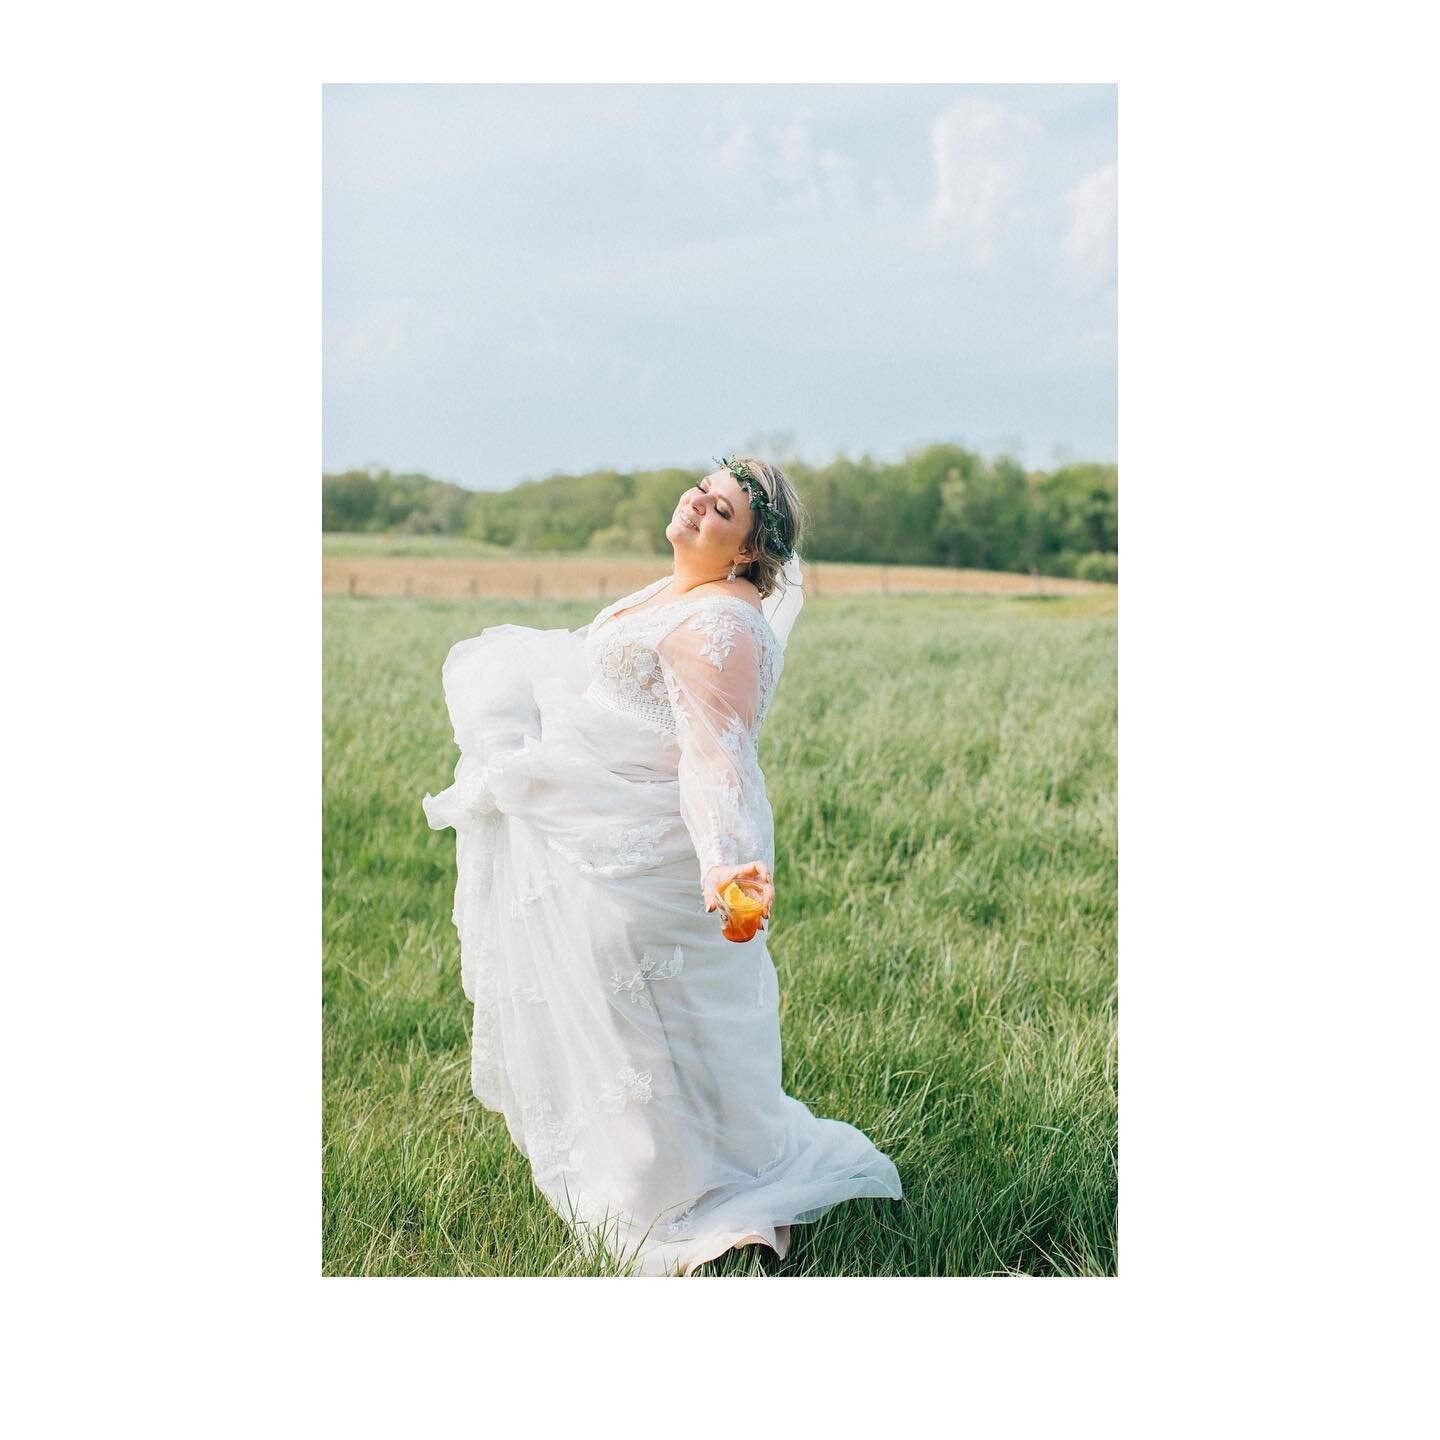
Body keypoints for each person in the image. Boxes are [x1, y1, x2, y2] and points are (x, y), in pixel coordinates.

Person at [423, 455, 902, 1275]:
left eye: (721, 510)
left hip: (642, 848)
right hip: (591, 813)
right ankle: (660, 1174)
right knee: (637, 1029)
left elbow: (716, 759)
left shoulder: (720, 623)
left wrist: (726, 865)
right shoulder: (679, 589)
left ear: (748, 552)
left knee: (645, 1026)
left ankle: (697, 1203)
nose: (697, 505)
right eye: (704, 488)